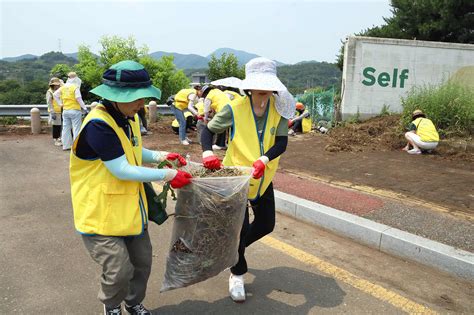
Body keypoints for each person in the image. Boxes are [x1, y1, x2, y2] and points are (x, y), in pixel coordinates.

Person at [70, 60, 192, 315]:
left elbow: (134, 150)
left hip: (130, 210)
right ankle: (112, 305)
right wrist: (169, 175)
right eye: (137, 98)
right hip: (100, 213)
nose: (141, 104)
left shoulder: (129, 117)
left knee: (142, 263)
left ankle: (133, 302)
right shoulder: (98, 126)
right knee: (118, 270)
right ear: (115, 97)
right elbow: (122, 169)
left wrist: (162, 156)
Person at [200, 57, 294, 303]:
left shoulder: (279, 108)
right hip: (238, 178)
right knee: (240, 229)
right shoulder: (235, 108)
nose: (263, 89)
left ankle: (232, 251)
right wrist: (208, 151)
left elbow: (282, 142)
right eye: (258, 84)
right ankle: (237, 273)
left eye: (267, 84)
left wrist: (264, 158)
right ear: (249, 86)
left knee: (266, 225)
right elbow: (207, 130)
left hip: (264, 176)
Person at [53, 72, 87, 151]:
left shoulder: (63, 87)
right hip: (75, 110)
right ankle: (76, 147)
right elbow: (78, 98)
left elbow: (55, 95)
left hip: (65, 110)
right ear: (75, 78)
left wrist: (60, 104)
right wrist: (84, 108)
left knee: (65, 128)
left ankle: (66, 145)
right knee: (76, 128)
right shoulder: (75, 87)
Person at [201, 85, 232, 150]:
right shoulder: (218, 91)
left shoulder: (209, 96)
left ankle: (219, 144)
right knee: (230, 128)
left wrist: (205, 119)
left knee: (219, 126)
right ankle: (229, 144)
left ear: (205, 93)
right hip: (231, 108)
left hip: (223, 109)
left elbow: (206, 110)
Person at [46, 77, 63, 146]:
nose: (58, 86)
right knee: (56, 126)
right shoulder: (49, 92)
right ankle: (56, 139)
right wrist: (52, 112)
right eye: (56, 84)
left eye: (58, 84)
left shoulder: (59, 90)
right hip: (55, 111)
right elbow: (49, 103)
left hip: (60, 110)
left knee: (60, 125)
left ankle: (59, 138)